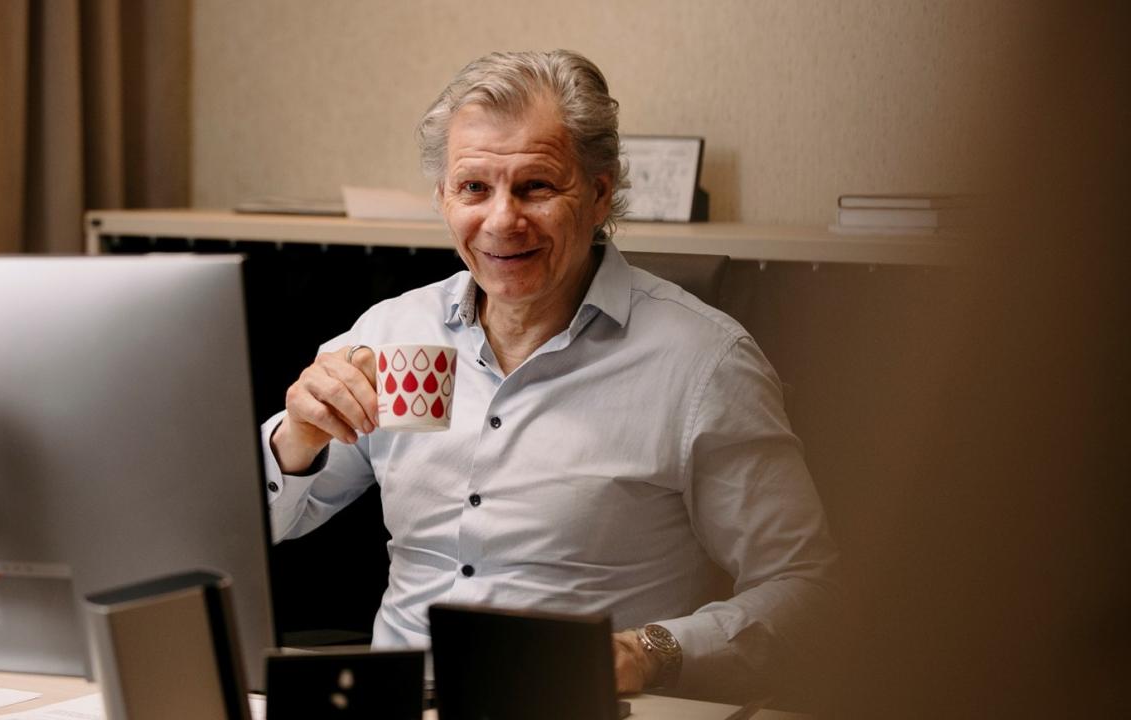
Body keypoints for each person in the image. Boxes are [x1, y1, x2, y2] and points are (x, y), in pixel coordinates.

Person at [261, 49, 838, 703]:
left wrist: (652, 652)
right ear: (443, 198)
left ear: (598, 194)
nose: (502, 220)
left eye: (536, 186)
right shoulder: (393, 336)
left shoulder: (701, 363)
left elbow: (807, 591)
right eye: (474, 188)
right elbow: (255, 526)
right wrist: (295, 442)